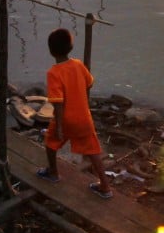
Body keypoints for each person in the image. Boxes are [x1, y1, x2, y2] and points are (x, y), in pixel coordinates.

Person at [36, 28, 113, 199]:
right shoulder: (78, 64)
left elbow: (58, 102)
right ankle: (105, 187)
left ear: (50, 50)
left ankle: (53, 173)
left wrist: (60, 127)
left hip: (65, 119)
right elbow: (89, 83)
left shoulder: (53, 73)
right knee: (93, 151)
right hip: (84, 118)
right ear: (70, 46)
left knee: (50, 142)